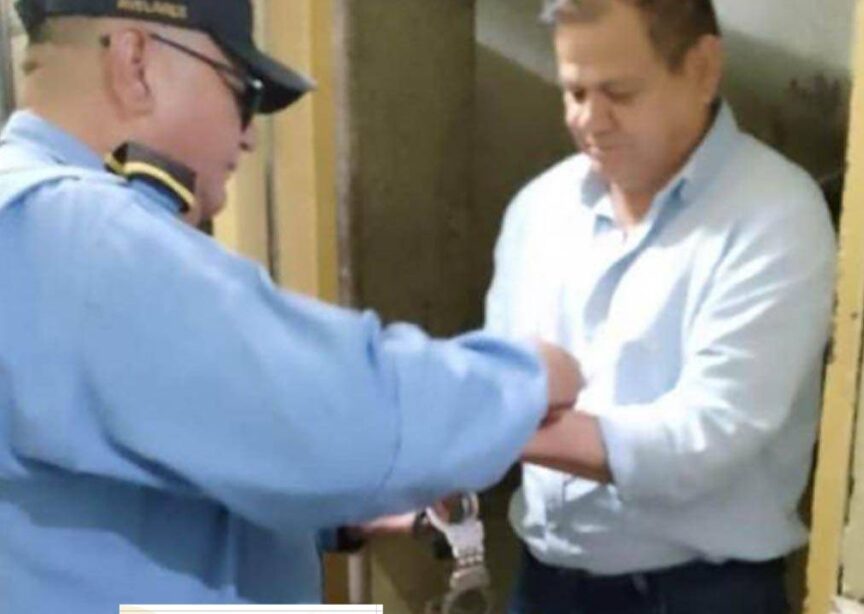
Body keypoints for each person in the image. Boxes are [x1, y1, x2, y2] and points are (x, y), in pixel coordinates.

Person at [0, 0, 582, 611]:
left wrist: (326, 515)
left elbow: (161, 449)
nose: (250, 136)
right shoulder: (75, 230)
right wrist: (524, 378)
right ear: (136, 63)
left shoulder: (29, 216)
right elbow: (344, 415)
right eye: (242, 93)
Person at [485, 0, 838, 612]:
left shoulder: (777, 215)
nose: (590, 120)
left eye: (619, 92)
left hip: (699, 594)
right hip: (544, 583)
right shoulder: (539, 208)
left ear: (702, 69)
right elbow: (497, 375)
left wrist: (487, 424)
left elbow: (705, 436)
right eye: (574, 92)